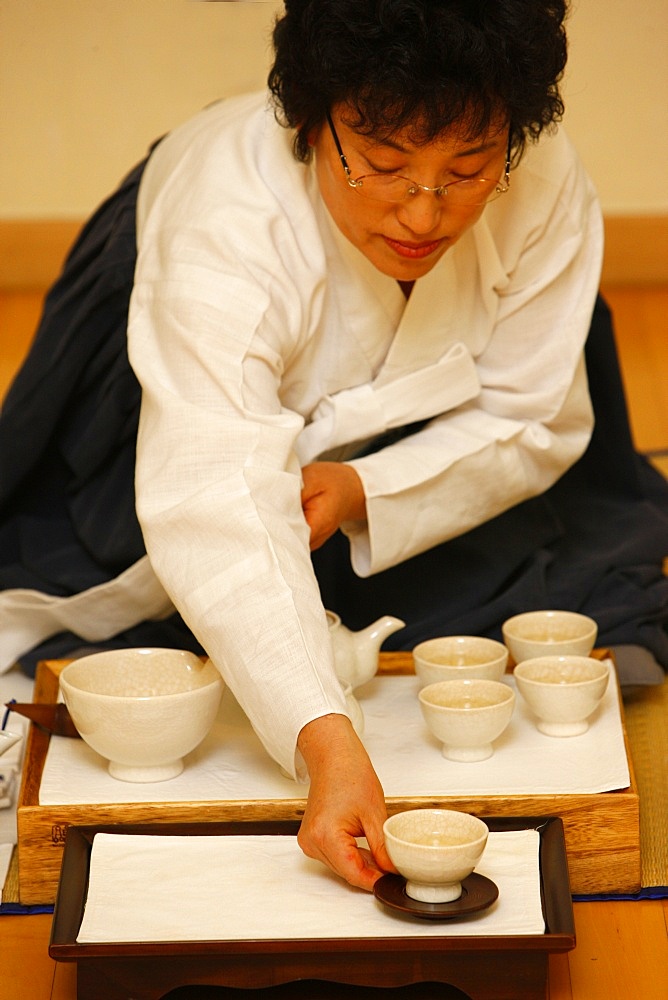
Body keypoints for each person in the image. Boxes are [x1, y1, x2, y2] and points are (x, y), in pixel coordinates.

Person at [1, 0, 667, 890]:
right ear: (313, 121)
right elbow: (215, 485)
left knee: (566, 590)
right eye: (385, 167)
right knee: (146, 607)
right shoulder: (227, 221)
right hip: (165, 404)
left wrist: (367, 489)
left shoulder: (540, 180)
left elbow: (532, 410)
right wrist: (324, 739)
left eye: (468, 171)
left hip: (401, 423)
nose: (424, 215)